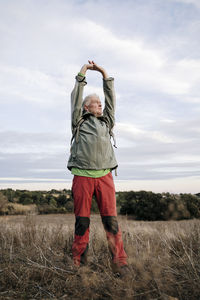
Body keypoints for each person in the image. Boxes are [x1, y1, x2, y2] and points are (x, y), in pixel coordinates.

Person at [67, 60, 128, 274]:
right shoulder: (79, 121)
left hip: (105, 177)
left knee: (111, 222)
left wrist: (104, 74)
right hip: (82, 177)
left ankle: (120, 263)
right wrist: (83, 72)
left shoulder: (106, 122)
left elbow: (111, 101)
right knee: (82, 222)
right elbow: (75, 97)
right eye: (96, 103)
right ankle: (79, 263)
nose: (100, 105)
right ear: (86, 107)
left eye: (100, 103)